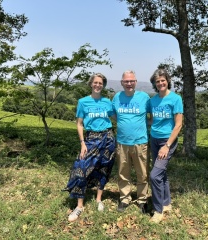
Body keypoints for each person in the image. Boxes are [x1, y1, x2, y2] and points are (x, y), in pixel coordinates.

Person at [63, 73, 116, 222]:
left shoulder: (107, 102)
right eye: (95, 82)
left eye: (101, 83)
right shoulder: (83, 102)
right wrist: (82, 143)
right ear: (91, 84)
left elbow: (116, 117)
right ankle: (79, 206)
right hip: (91, 139)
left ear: (103, 85)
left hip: (108, 138)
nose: (98, 85)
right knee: (81, 169)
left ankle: (99, 199)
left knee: (104, 168)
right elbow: (79, 124)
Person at [112, 70, 150, 213]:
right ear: (122, 82)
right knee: (123, 172)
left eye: (131, 81)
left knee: (142, 173)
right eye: (126, 81)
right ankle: (125, 198)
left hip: (140, 142)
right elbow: (113, 114)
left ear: (136, 82)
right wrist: (123, 122)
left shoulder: (144, 97)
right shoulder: (117, 97)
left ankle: (142, 200)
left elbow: (151, 115)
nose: (129, 83)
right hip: (122, 142)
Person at [148, 68, 183, 223]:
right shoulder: (153, 100)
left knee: (154, 175)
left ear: (167, 81)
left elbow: (178, 125)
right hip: (154, 139)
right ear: (155, 84)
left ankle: (158, 210)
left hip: (167, 141)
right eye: (157, 81)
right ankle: (166, 203)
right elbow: (151, 119)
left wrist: (167, 145)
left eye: (163, 80)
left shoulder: (175, 99)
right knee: (161, 173)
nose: (160, 83)